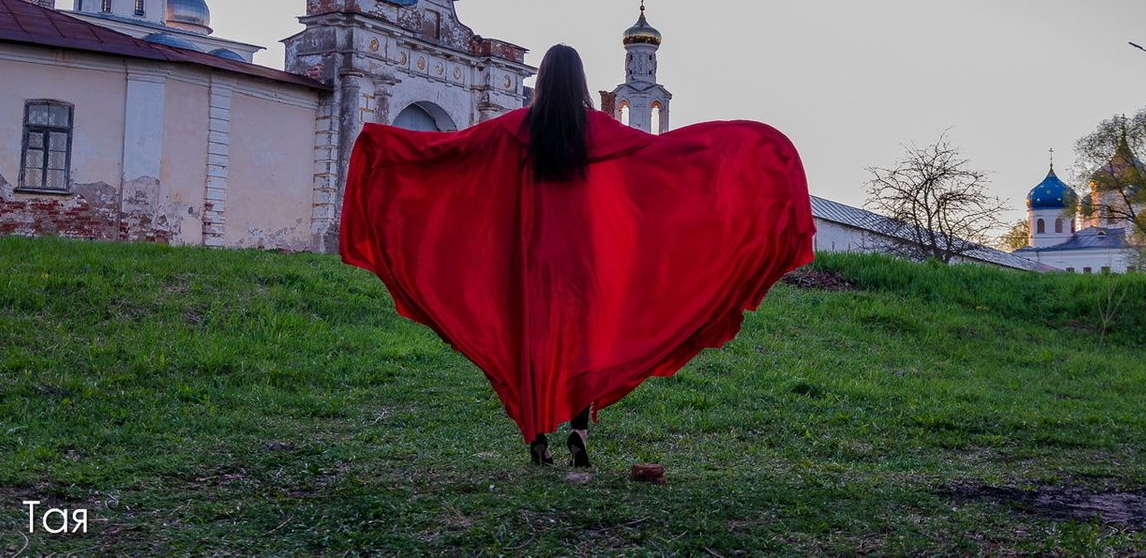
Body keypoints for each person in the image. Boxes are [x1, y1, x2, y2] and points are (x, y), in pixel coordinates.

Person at [340, 44, 815, 468]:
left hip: (531, 258)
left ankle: (537, 438)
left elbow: (452, 151)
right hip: (583, 260)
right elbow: (660, 156)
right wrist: (747, 150)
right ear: (582, 84)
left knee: (535, 342)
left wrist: (382, 146)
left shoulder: (514, 128)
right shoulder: (599, 130)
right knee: (581, 344)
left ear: (542, 81)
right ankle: (579, 430)